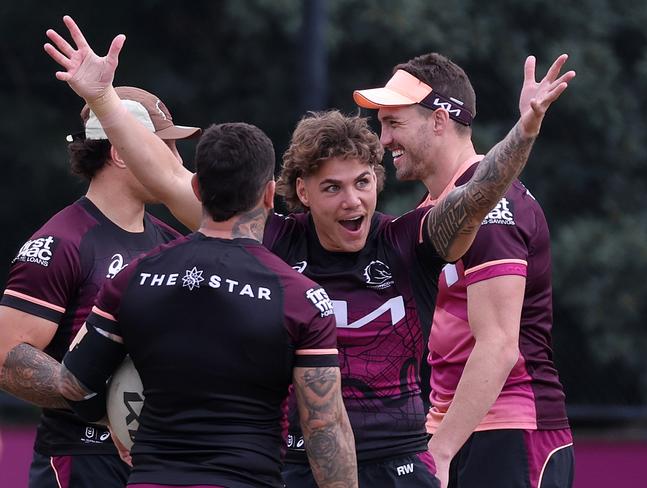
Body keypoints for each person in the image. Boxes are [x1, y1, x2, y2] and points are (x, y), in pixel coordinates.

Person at [44, 15, 573, 487]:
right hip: (300, 464)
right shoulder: (273, 236)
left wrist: (523, 132)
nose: (352, 200)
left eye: (364, 182)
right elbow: (169, 178)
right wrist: (103, 100)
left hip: (405, 463)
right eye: (332, 188)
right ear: (297, 193)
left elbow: (479, 195)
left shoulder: (408, 239)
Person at [57, 121, 357, 488]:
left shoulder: (134, 277)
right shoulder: (302, 298)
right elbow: (323, 427)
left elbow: (72, 382)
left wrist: (117, 423)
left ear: (197, 188)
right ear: (267, 194)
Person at [354, 53, 575, 487]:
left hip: (510, 431)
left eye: (394, 123)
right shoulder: (432, 213)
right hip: (454, 431)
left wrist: (439, 450)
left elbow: (498, 346)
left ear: (439, 120)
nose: (383, 140)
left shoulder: (491, 208)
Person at [0, 85, 199, 487]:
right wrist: (104, 400)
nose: (178, 162)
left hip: (159, 459)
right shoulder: (61, 242)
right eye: (166, 147)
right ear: (121, 152)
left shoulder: (173, 244)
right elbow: (6, 358)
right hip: (82, 459)